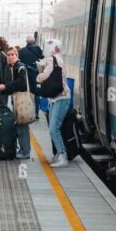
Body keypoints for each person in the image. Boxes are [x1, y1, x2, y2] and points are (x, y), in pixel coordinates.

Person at [37, 39, 71, 168]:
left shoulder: (52, 59)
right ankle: (59, 155)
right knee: (54, 128)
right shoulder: (59, 59)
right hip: (58, 98)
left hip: (60, 98)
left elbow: (45, 75)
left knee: (53, 129)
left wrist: (37, 76)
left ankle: (63, 156)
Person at [0, 47, 31, 159]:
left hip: (21, 100)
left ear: (17, 56)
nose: (10, 57)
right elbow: (11, 86)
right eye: (8, 55)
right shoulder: (11, 67)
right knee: (18, 125)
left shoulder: (20, 68)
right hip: (14, 100)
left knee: (22, 126)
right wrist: (2, 89)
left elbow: (21, 84)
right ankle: (21, 149)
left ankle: (25, 151)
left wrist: (5, 86)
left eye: (12, 55)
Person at [18, 36, 44, 119]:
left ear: (26, 41)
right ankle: (36, 113)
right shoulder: (38, 49)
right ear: (34, 41)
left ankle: (26, 112)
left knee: (25, 93)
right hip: (35, 74)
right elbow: (42, 59)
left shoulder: (21, 51)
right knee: (36, 93)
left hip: (25, 74)